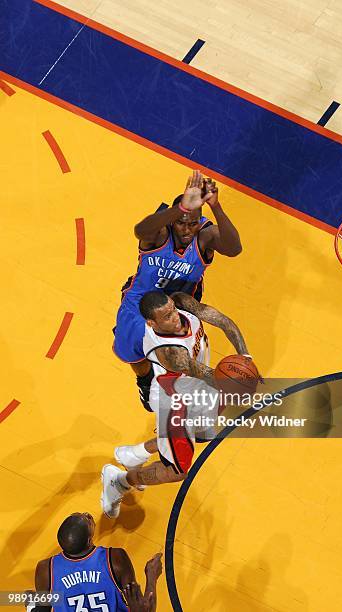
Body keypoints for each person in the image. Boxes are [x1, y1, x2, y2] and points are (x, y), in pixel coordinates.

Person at [102, 291, 253, 518]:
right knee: (177, 470)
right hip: (174, 405)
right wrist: (243, 382)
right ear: (152, 323)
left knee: (203, 434)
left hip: (195, 390)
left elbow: (222, 321)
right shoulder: (170, 352)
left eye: (173, 309)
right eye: (167, 316)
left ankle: (135, 453)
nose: (175, 317)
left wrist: (245, 356)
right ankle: (119, 482)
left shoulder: (181, 302)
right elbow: (212, 376)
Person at [113, 169, 242, 411]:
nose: (186, 229)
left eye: (192, 223)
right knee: (133, 353)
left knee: (180, 362)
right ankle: (144, 381)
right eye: (181, 223)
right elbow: (139, 231)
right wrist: (180, 209)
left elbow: (234, 249)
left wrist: (216, 207)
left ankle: (180, 401)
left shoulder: (204, 237)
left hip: (181, 304)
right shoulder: (160, 234)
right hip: (139, 301)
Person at [32, 512, 162, 611]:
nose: (88, 515)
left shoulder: (45, 570)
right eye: (87, 520)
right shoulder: (115, 559)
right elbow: (144, 608)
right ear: (89, 541)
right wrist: (152, 576)